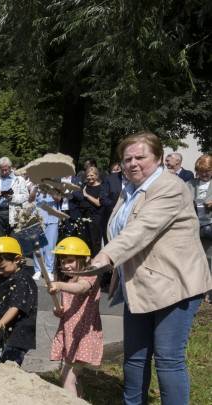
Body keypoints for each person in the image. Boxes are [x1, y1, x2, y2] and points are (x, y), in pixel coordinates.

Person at [91, 131, 212, 404]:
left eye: (140, 157)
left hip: (175, 284)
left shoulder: (169, 187)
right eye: (127, 159)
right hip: (139, 284)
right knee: (135, 356)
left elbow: (142, 229)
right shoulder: (130, 190)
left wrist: (107, 255)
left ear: (158, 158)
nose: (132, 163)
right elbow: (119, 228)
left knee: (168, 358)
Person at [48, 237, 103, 398]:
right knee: (68, 377)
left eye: (70, 260)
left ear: (85, 259)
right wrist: (58, 311)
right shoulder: (69, 280)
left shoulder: (90, 276)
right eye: (63, 261)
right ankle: (80, 398)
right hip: (70, 334)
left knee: (67, 379)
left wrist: (59, 285)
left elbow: (81, 288)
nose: (66, 265)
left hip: (83, 336)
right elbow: (67, 307)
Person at [0, 236, 38, 367]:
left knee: (8, 366)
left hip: (18, 334)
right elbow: (0, 293)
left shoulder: (23, 281)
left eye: (2, 267)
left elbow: (15, 307)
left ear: (17, 259)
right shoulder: (4, 274)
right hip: (2, 330)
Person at [187, 155, 212, 302]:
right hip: (193, 227)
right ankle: (197, 289)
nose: (204, 174)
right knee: (195, 259)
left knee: (210, 258)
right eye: (201, 171)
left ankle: (209, 291)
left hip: (210, 227)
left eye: (207, 171)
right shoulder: (190, 183)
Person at [76, 166, 113, 256]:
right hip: (84, 216)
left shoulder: (102, 187)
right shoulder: (84, 186)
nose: (89, 177)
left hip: (96, 218)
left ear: (97, 175)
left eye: (92, 175)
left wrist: (86, 195)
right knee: (84, 239)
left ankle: (96, 259)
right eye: (88, 175)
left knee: (95, 241)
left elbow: (98, 203)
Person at [0, 157, 29, 237]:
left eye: (6, 170)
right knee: (0, 240)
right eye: (2, 170)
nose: (4, 172)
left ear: (10, 168)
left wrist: (12, 198)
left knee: (14, 240)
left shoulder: (19, 179)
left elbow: (25, 196)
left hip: (15, 214)